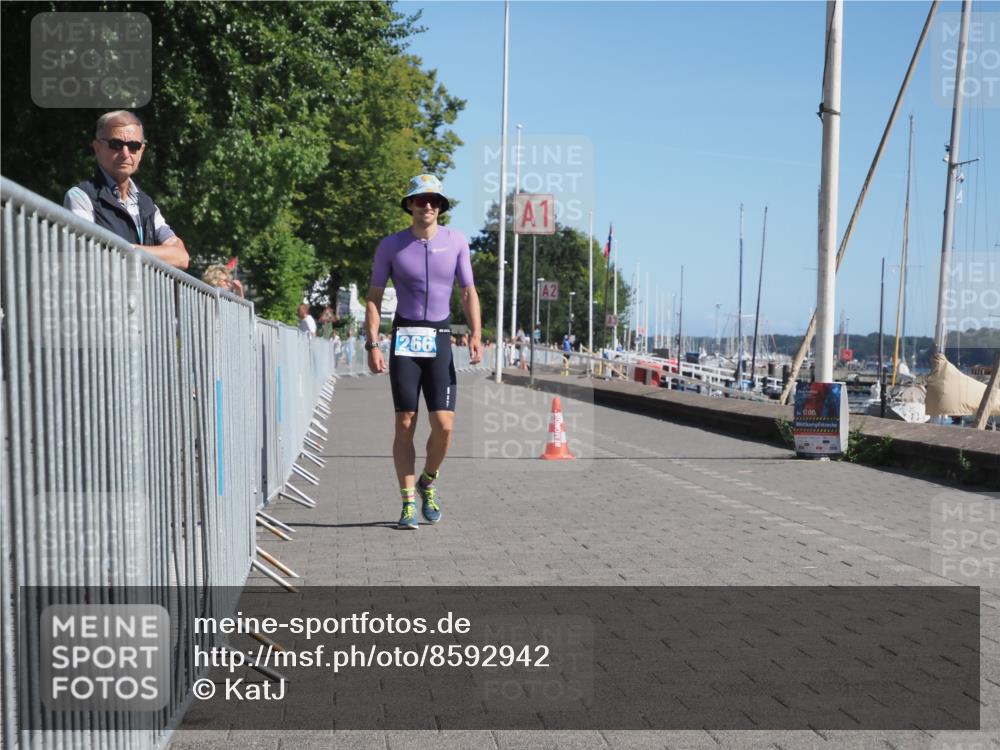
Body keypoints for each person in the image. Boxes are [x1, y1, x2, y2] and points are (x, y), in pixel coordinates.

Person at [365, 174, 482, 530]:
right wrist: (372, 343)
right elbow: (372, 298)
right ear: (410, 205)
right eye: (420, 199)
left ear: (441, 206)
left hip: (440, 335)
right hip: (405, 336)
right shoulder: (391, 245)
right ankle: (407, 504)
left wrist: (476, 333)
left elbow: (467, 291)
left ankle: (428, 481)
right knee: (405, 422)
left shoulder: (457, 241)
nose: (427, 205)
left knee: (444, 425)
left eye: (434, 200)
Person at [64, 110, 189, 269]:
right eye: (115, 144)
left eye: (133, 146)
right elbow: (90, 255)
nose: (125, 153)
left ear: (141, 151)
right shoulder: (81, 197)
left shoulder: (147, 205)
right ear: (97, 148)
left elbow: (181, 257)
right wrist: (154, 253)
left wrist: (129, 250)